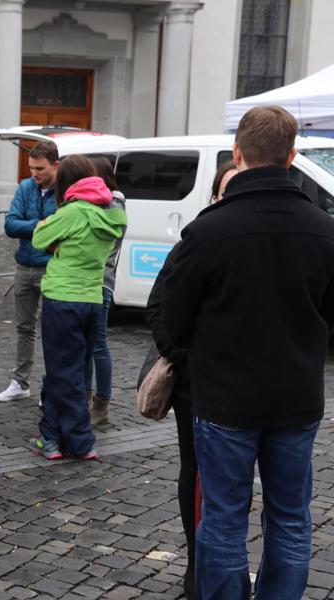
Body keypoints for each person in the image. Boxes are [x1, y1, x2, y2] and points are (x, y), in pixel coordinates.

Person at [161, 106, 334, 600]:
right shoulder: (323, 229)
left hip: (225, 401)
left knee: (222, 520)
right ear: (292, 156)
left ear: (237, 153)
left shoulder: (209, 230)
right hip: (296, 399)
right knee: (290, 519)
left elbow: (173, 321)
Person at [144, 159, 238, 600]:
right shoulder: (197, 236)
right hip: (196, 382)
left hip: (246, 384)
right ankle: (197, 567)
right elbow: (158, 305)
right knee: (196, 470)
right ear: (215, 195)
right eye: (226, 190)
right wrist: (182, 354)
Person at [27, 155, 126, 461]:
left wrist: (53, 235)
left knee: (62, 372)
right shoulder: (111, 214)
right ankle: (56, 436)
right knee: (71, 370)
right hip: (92, 299)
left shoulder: (73, 212)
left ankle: (78, 441)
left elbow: (39, 238)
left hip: (63, 297)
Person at [0, 141, 60, 402]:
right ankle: (20, 382)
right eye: (31, 168)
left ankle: (51, 386)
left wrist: (34, 227)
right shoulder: (25, 187)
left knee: (52, 329)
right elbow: (10, 225)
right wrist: (41, 224)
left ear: (55, 165)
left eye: (40, 168)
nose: (34, 173)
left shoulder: (64, 190)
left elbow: (61, 229)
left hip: (51, 268)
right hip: (24, 266)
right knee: (24, 327)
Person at [83, 157, 125, 426]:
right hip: (86, 282)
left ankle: (102, 403)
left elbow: (107, 238)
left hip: (101, 282)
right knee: (86, 346)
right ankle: (84, 399)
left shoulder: (114, 203)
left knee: (98, 345)